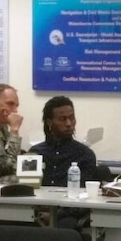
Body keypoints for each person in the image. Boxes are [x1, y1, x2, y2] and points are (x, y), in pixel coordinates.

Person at [28, 96, 97, 229]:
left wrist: (56, 214)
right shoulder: (35, 153)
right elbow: (28, 189)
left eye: (72, 118)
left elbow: (84, 198)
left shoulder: (85, 154)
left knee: (63, 230)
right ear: (49, 122)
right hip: (36, 211)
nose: (69, 123)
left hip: (68, 214)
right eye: (62, 119)